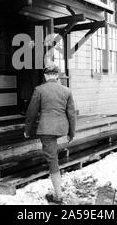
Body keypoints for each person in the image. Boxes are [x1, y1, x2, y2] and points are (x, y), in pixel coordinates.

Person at [24, 62, 76, 204]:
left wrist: (27, 130)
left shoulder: (39, 90)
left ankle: (58, 195)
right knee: (54, 156)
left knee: (53, 159)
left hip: (46, 129)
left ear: (46, 76)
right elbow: (72, 114)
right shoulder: (67, 91)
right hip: (62, 128)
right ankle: (58, 189)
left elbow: (31, 113)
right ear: (57, 75)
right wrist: (71, 132)